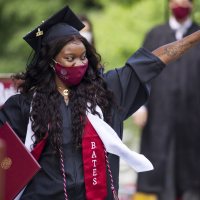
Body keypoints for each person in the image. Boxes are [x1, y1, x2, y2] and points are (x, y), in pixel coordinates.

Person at [0, 5, 200, 200]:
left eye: (83, 57)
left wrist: (195, 36)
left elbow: (155, 60)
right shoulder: (26, 105)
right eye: (70, 58)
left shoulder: (105, 93)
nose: (79, 64)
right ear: (51, 62)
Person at [133, 0, 200, 200]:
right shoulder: (155, 35)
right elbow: (142, 72)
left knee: (192, 167)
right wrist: (140, 106)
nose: (181, 4)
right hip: (159, 110)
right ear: (169, 4)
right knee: (159, 160)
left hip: (194, 114)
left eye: (185, 0)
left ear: (193, 4)